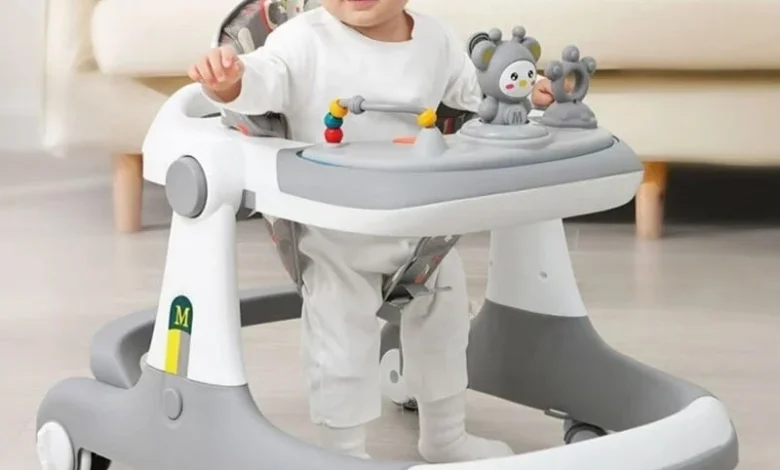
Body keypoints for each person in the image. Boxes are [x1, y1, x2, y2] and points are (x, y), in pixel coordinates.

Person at [189, 0, 558, 463]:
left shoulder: (435, 39)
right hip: (335, 233)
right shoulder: (303, 39)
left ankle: (445, 436)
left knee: (446, 326)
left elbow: (478, 91)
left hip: (420, 226)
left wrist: (524, 90)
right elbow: (262, 82)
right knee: (340, 342)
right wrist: (229, 82)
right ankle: (344, 454)